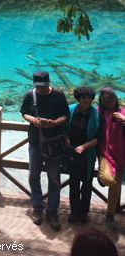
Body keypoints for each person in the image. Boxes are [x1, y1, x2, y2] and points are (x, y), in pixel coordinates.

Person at [20, 70, 69, 231]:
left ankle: (52, 211)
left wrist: (54, 123)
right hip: (35, 140)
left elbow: (65, 116)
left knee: (54, 177)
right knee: (33, 174)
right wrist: (33, 120)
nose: (41, 89)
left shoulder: (58, 95)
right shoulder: (30, 95)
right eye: (38, 86)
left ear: (49, 83)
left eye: (44, 86)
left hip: (54, 142)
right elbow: (24, 113)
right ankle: (37, 206)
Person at [65, 87, 100, 224]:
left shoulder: (96, 115)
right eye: (84, 97)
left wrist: (84, 146)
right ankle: (74, 212)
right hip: (72, 153)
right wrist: (65, 137)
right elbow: (63, 127)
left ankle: (84, 213)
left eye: (90, 98)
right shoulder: (70, 110)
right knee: (73, 183)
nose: (87, 100)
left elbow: (99, 137)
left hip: (88, 154)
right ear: (78, 98)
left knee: (86, 184)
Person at [97, 86, 125, 230]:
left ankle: (110, 214)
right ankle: (101, 175)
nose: (109, 103)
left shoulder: (123, 112)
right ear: (101, 101)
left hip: (120, 154)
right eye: (105, 101)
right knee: (108, 179)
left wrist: (124, 119)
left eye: (111, 100)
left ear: (115, 98)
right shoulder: (97, 112)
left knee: (115, 187)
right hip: (103, 152)